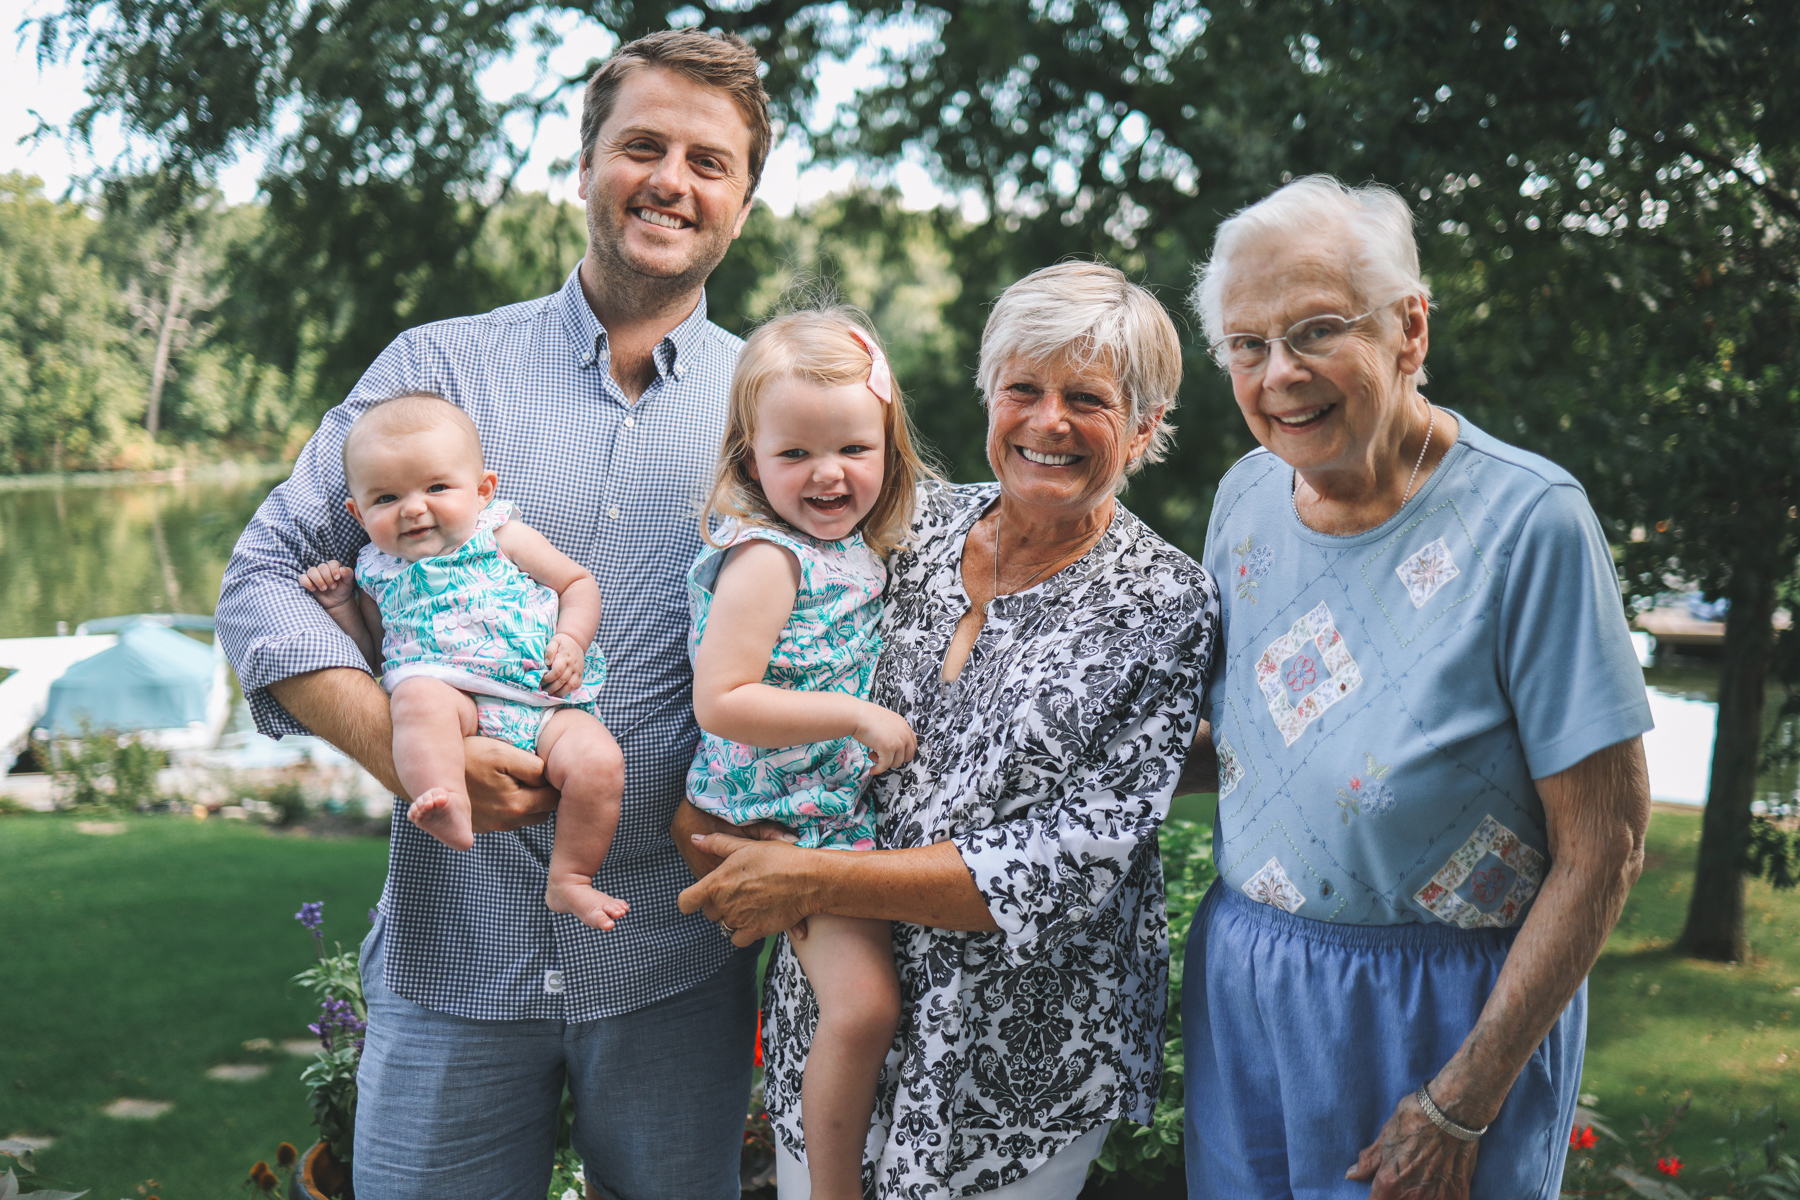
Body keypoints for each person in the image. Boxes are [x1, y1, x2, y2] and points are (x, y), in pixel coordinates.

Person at [215, 29, 770, 1200]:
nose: (673, 179)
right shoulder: (440, 372)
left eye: (708, 161)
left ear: (744, 199)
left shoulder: (770, 402)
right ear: (585, 167)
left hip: (675, 957)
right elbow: (262, 578)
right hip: (451, 951)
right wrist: (399, 744)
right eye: (643, 146)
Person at [675, 262, 1220, 1198]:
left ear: (1144, 427)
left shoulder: (1163, 602)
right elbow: (756, 677)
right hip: (841, 1007)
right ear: (989, 396)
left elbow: (1070, 859)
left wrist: (806, 875)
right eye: (1024, 389)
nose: (1048, 422)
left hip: (1018, 1059)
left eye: (1086, 399)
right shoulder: (902, 524)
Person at [1180, 175, 1653, 1200]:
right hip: (1249, 995)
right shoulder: (1246, 497)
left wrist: (1463, 1099)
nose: (1278, 375)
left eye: (1314, 331)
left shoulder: (1532, 525)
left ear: (1409, 327)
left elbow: (1604, 846)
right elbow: (1250, 744)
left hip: (1442, 1015)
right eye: (1247, 345)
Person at [687, 309, 933, 1199]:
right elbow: (722, 698)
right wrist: (856, 717)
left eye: (853, 450)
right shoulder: (769, 558)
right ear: (751, 459)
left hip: (822, 811)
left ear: (887, 447)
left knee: (860, 1007)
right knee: (865, 1008)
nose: (828, 474)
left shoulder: (855, 550)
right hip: (783, 815)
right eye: (794, 455)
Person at [299, 394, 628, 930]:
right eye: (386, 497)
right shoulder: (375, 570)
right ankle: (446, 797)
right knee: (416, 697)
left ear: (482, 491)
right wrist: (339, 605)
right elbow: (374, 654)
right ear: (357, 512)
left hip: (540, 699)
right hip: (452, 701)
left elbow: (576, 582)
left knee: (601, 763)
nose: (412, 508)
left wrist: (571, 641)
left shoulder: (501, 534)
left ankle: (570, 878)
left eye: (436, 488)